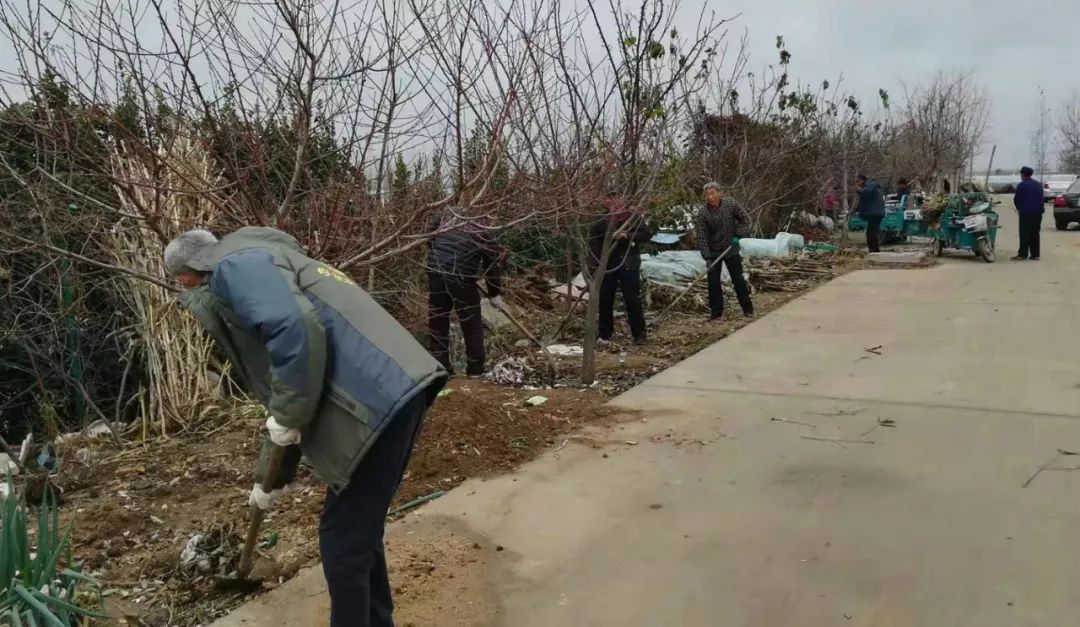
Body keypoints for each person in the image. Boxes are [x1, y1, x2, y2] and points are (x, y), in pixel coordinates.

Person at [164, 227, 447, 627]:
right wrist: (270, 478)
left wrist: (287, 418)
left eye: (181, 281)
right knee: (356, 531)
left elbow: (296, 330)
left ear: (191, 272)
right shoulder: (261, 259)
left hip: (378, 398)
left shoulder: (235, 265)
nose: (185, 288)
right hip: (392, 389)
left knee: (342, 541)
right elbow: (292, 384)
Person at [425, 192, 506, 377]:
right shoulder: (483, 228)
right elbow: (492, 265)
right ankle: (475, 369)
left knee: (438, 320)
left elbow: (429, 237)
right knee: (471, 322)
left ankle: (441, 369)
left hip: (435, 270)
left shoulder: (447, 216)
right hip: (460, 275)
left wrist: (438, 259)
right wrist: (495, 294)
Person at [587, 198, 651, 344]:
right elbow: (594, 245)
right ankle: (605, 333)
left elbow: (646, 234)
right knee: (605, 298)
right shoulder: (600, 221)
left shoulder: (633, 218)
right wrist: (594, 266)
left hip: (629, 261)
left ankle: (639, 334)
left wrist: (627, 236)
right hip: (607, 264)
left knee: (631, 297)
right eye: (610, 202)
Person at [694, 182, 753, 320]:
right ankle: (716, 313)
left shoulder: (730, 204)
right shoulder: (703, 213)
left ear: (720, 193)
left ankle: (747, 309)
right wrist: (706, 256)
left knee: (738, 279)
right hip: (714, 251)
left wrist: (738, 235)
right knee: (713, 283)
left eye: (713, 193)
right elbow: (701, 235)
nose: (711, 197)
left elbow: (746, 220)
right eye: (707, 195)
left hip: (731, 248)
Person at [1013, 166, 1044, 261]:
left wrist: (1018, 208)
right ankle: (1035, 255)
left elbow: (1016, 199)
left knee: (1024, 233)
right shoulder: (1038, 185)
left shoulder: (1022, 185)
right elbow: (1041, 198)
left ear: (1023, 174)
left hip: (1025, 213)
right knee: (1035, 233)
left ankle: (1023, 254)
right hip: (1038, 213)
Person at [855, 174, 885, 252]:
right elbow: (866, 200)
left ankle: (873, 249)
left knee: (871, 232)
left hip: (874, 213)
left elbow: (867, 192)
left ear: (862, 180)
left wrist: (858, 189)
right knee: (872, 232)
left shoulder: (870, 184)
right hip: (875, 212)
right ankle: (874, 248)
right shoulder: (870, 185)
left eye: (858, 181)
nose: (857, 183)